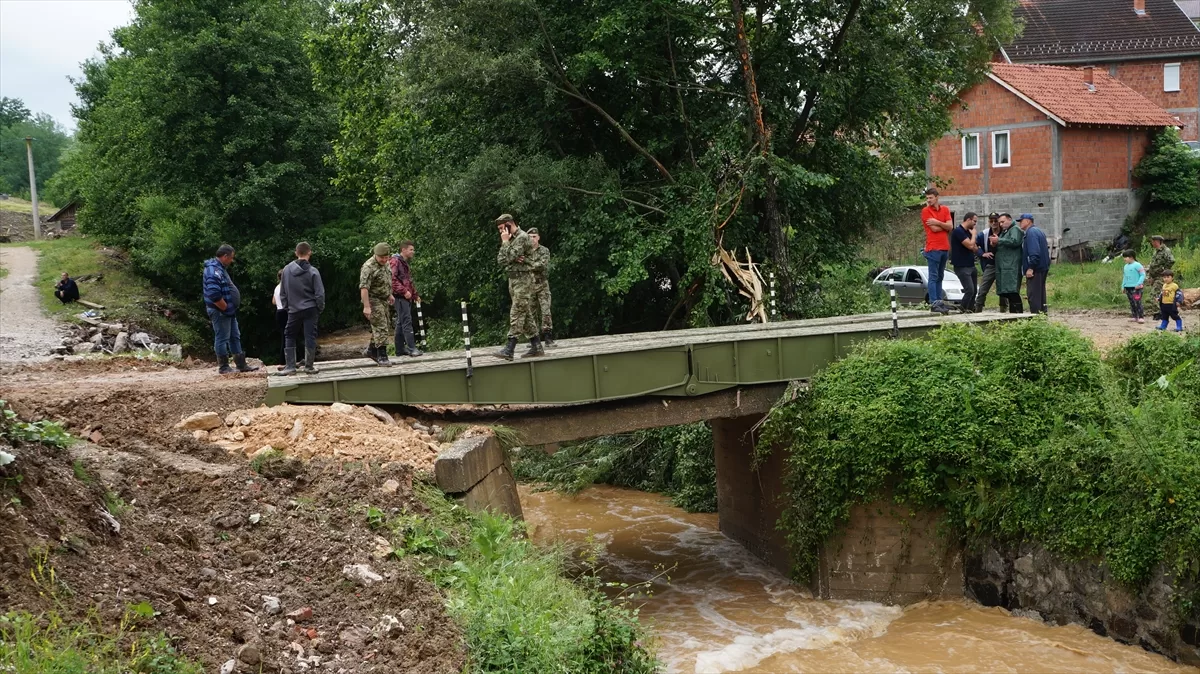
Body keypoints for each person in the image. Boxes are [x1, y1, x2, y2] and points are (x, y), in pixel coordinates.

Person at [202, 244, 259, 375]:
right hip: (220, 311)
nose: (232, 261)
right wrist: (225, 308)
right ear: (225, 256)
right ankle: (224, 367)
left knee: (235, 336)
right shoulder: (213, 270)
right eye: (231, 258)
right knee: (222, 337)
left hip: (228, 310)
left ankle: (241, 364)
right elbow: (214, 294)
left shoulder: (219, 269)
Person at [494, 213, 544, 359]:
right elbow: (502, 260)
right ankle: (536, 346)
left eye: (503, 228)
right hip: (514, 280)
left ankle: (510, 348)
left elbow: (506, 258)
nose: (501, 232)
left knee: (516, 312)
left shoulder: (522, 237)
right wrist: (511, 252)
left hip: (524, 279)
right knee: (525, 312)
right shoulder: (512, 240)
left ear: (510, 224)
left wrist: (505, 243)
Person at [279, 242, 326, 375]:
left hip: (293, 309)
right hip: (311, 308)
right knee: (310, 336)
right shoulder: (313, 271)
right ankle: (309, 367)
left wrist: (287, 308)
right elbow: (320, 293)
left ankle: (290, 367)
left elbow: (283, 292)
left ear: (296, 253)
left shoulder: (286, 270)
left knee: (289, 334)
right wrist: (319, 308)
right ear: (309, 252)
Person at [359, 243, 395, 366]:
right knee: (381, 326)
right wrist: (366, 306)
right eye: (382, 258)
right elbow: (364, 288)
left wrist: (389, 294)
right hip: (372, 299)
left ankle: (371, 350)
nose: (384, 260)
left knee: (385, 324)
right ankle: (382, 356)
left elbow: (386, 280)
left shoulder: (386, 263)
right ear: (376, 255)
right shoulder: (368, 267)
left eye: (386, 257)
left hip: (383, 299)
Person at [920, 188, 953, 314]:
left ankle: (939, 301)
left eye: (930, 198)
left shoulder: (945, 209)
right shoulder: (925, 211)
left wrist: (938, 222)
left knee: (940, 276)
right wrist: (943, 225)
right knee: (933, 276)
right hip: (933, 248)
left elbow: (951, 226)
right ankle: (934, 302)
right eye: (927, 198)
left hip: (944, 247)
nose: (928, 200)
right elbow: (933, 229)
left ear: (937, 197)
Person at [389, 241, 423, 358]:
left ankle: (399, 349)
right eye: (411, 250)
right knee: (407, 321)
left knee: (400, 322)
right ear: (403, 250)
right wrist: (404, 291)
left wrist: (415, 295)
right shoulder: (395, 261)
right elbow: (392, 280)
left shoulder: (403, 263)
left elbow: (407, 281)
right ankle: (412, 348)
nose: (413, 252)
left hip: (405, 297)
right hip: (399, 297)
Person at [974, 213, 1006, 312]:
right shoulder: (984, 234)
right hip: (990, 265)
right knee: (983, 288)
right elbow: (974, 245)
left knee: (1003, 289)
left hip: (1003, 265)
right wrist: (982, 253)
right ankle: (978, 308)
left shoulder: (1005, 232)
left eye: (996, 221)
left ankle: (1004, 309)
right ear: (989, 222)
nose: (994, 223)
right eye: (991, 221)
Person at [1018, 214, 1049, 315]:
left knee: (1033, 295)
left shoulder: (1031, 233)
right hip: (1042, 268)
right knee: (1040, 294)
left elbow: (1034, 252)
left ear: (1028, 221)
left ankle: (1036, 318)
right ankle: (1042, 316)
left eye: (1021, 221)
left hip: (1035, 269)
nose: (1020, 223)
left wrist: (1031, 267)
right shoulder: (1038, 231)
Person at [528, 227, 554, 345]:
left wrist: (528, 265)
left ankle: (548, 336)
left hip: (542, 284)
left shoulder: (544, 250)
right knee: (531, 312)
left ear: (538, 237)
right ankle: (534, 338)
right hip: (529, 285)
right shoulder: (525, 251)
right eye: (530, 237)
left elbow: (542, 265)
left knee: (546, 310)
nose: (532, 239)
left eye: (534, 237)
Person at [995, 213, 1025, 314]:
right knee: (1007, 292)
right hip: (1005, 265)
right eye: (1000, 223)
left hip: (1012, 265)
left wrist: (999, 240)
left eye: (1003, 222)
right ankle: (1013, 314)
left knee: (1012, 291)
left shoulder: (1015, 229)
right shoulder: (1005, 231)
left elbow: (1015, 241)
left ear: (1009, 220)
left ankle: (1017, 313)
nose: (1001, 224)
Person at [949, 212, 979, 313]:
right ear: (968, 220)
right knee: (969, 289)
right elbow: (970, 246)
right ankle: (962, 308)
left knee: (974, 290)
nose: (975, 224)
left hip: (971, 264)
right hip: (962, 265)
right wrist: (974, 235)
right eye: (974, 221)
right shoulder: (958, 231)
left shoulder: (967, 233)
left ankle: (970, 309)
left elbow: (974, 248)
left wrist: (972, 238)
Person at [1147, 235, 1175, 318]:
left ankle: (1158, 313)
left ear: (1159, 241)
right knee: (1160, 295)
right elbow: (1153, 265)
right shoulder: (1156, 251)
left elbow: (1171, 261)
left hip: (1160, 277)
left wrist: (1164, 271)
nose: (1152, 243)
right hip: (1154, 276)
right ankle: (1162, 312)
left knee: (1153, 295)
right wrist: (1150, 277)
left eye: (1154, 241)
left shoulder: (1165, 250)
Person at [1121, 249, 1146, 324]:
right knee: (1131, 302)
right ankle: (1134, 316)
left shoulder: (1137, 265)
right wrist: (1123, 286)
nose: (1124, 259)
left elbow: (1143, 274)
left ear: (1131, 257)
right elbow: (1125, 276)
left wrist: (1139, 283)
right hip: (1128, 287)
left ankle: (1141, 316)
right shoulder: (1125, 266)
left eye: (1126, 257)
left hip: (1136, 288)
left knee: (1137, 301)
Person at [272, 269, 287, 366]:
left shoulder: (277, 287)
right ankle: (284, 360)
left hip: (279, 312)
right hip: (285, 312)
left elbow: (273, 301)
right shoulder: (285, 287)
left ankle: (283, 360)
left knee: (284, 336)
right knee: (288, 337)